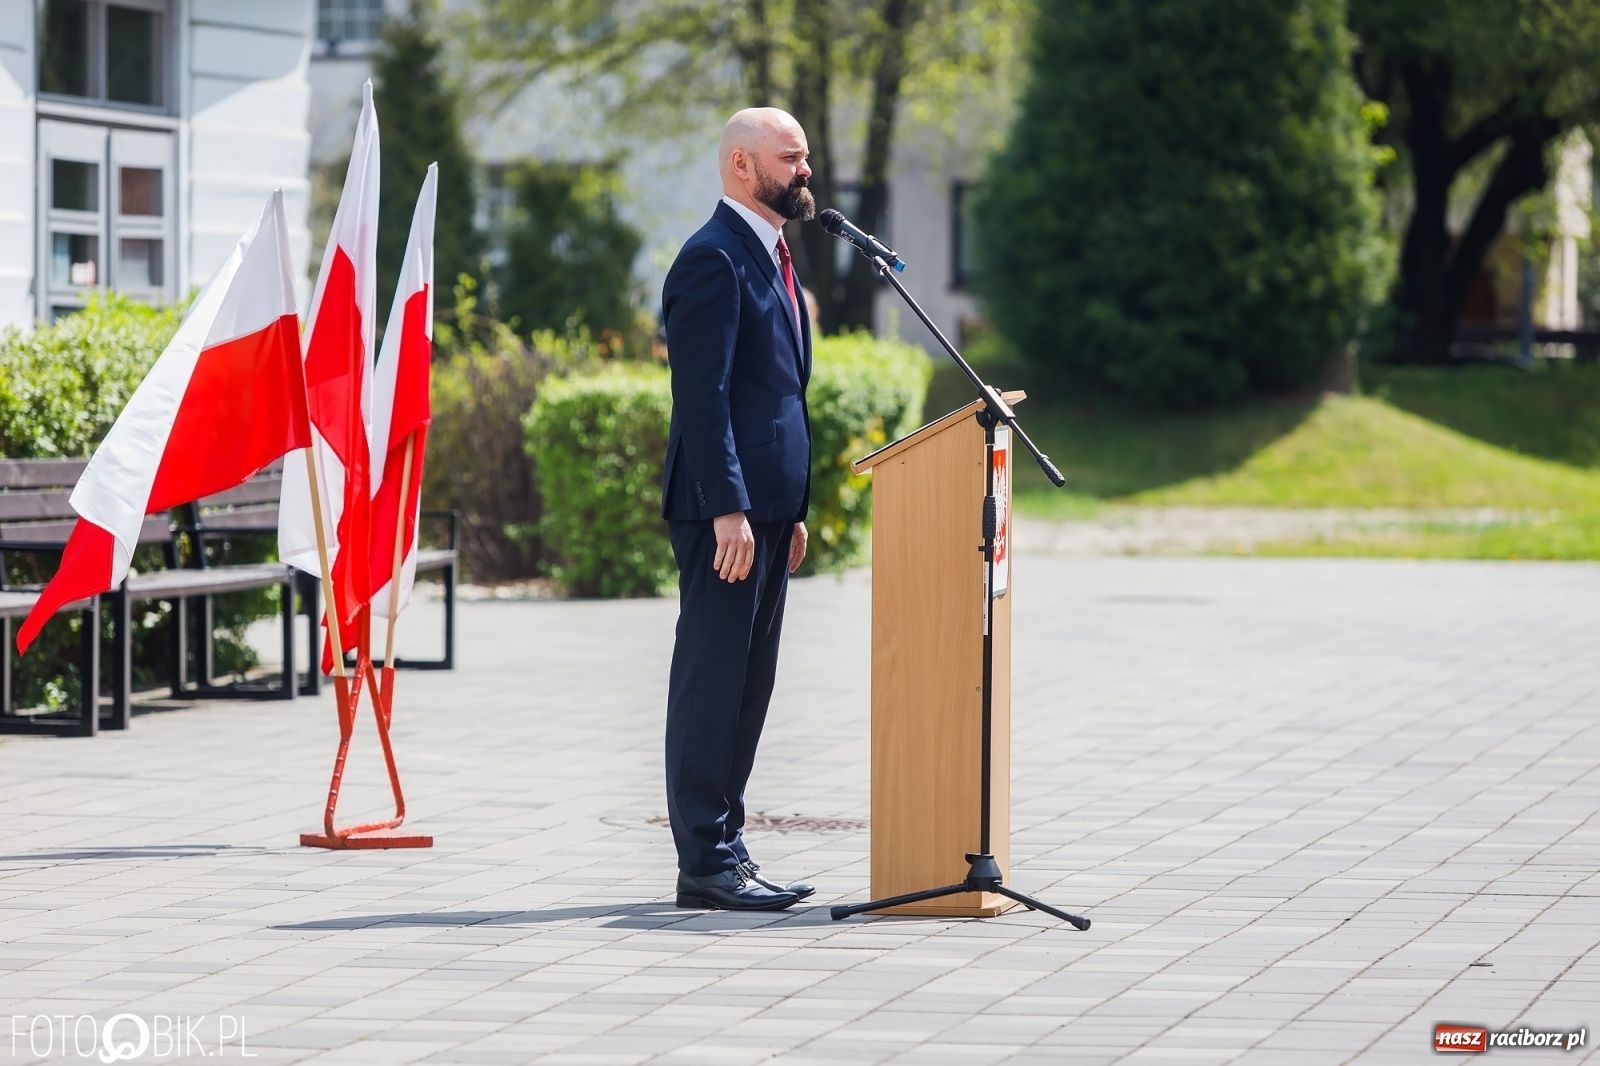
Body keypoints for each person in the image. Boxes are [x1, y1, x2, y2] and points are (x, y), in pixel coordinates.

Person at [659, 107, 817, 911]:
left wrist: (789, 509)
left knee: (749, 687)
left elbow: (779, 395)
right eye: (791, 158)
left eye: (805, 156)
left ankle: (727, 848)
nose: (806, 171)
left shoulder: (772, 256)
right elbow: (704, 397)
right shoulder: (712, 258)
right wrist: (729, 507)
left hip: (767, 515)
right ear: (742, 166)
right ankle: (703, 861)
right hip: (725, 519)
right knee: (712, 682)